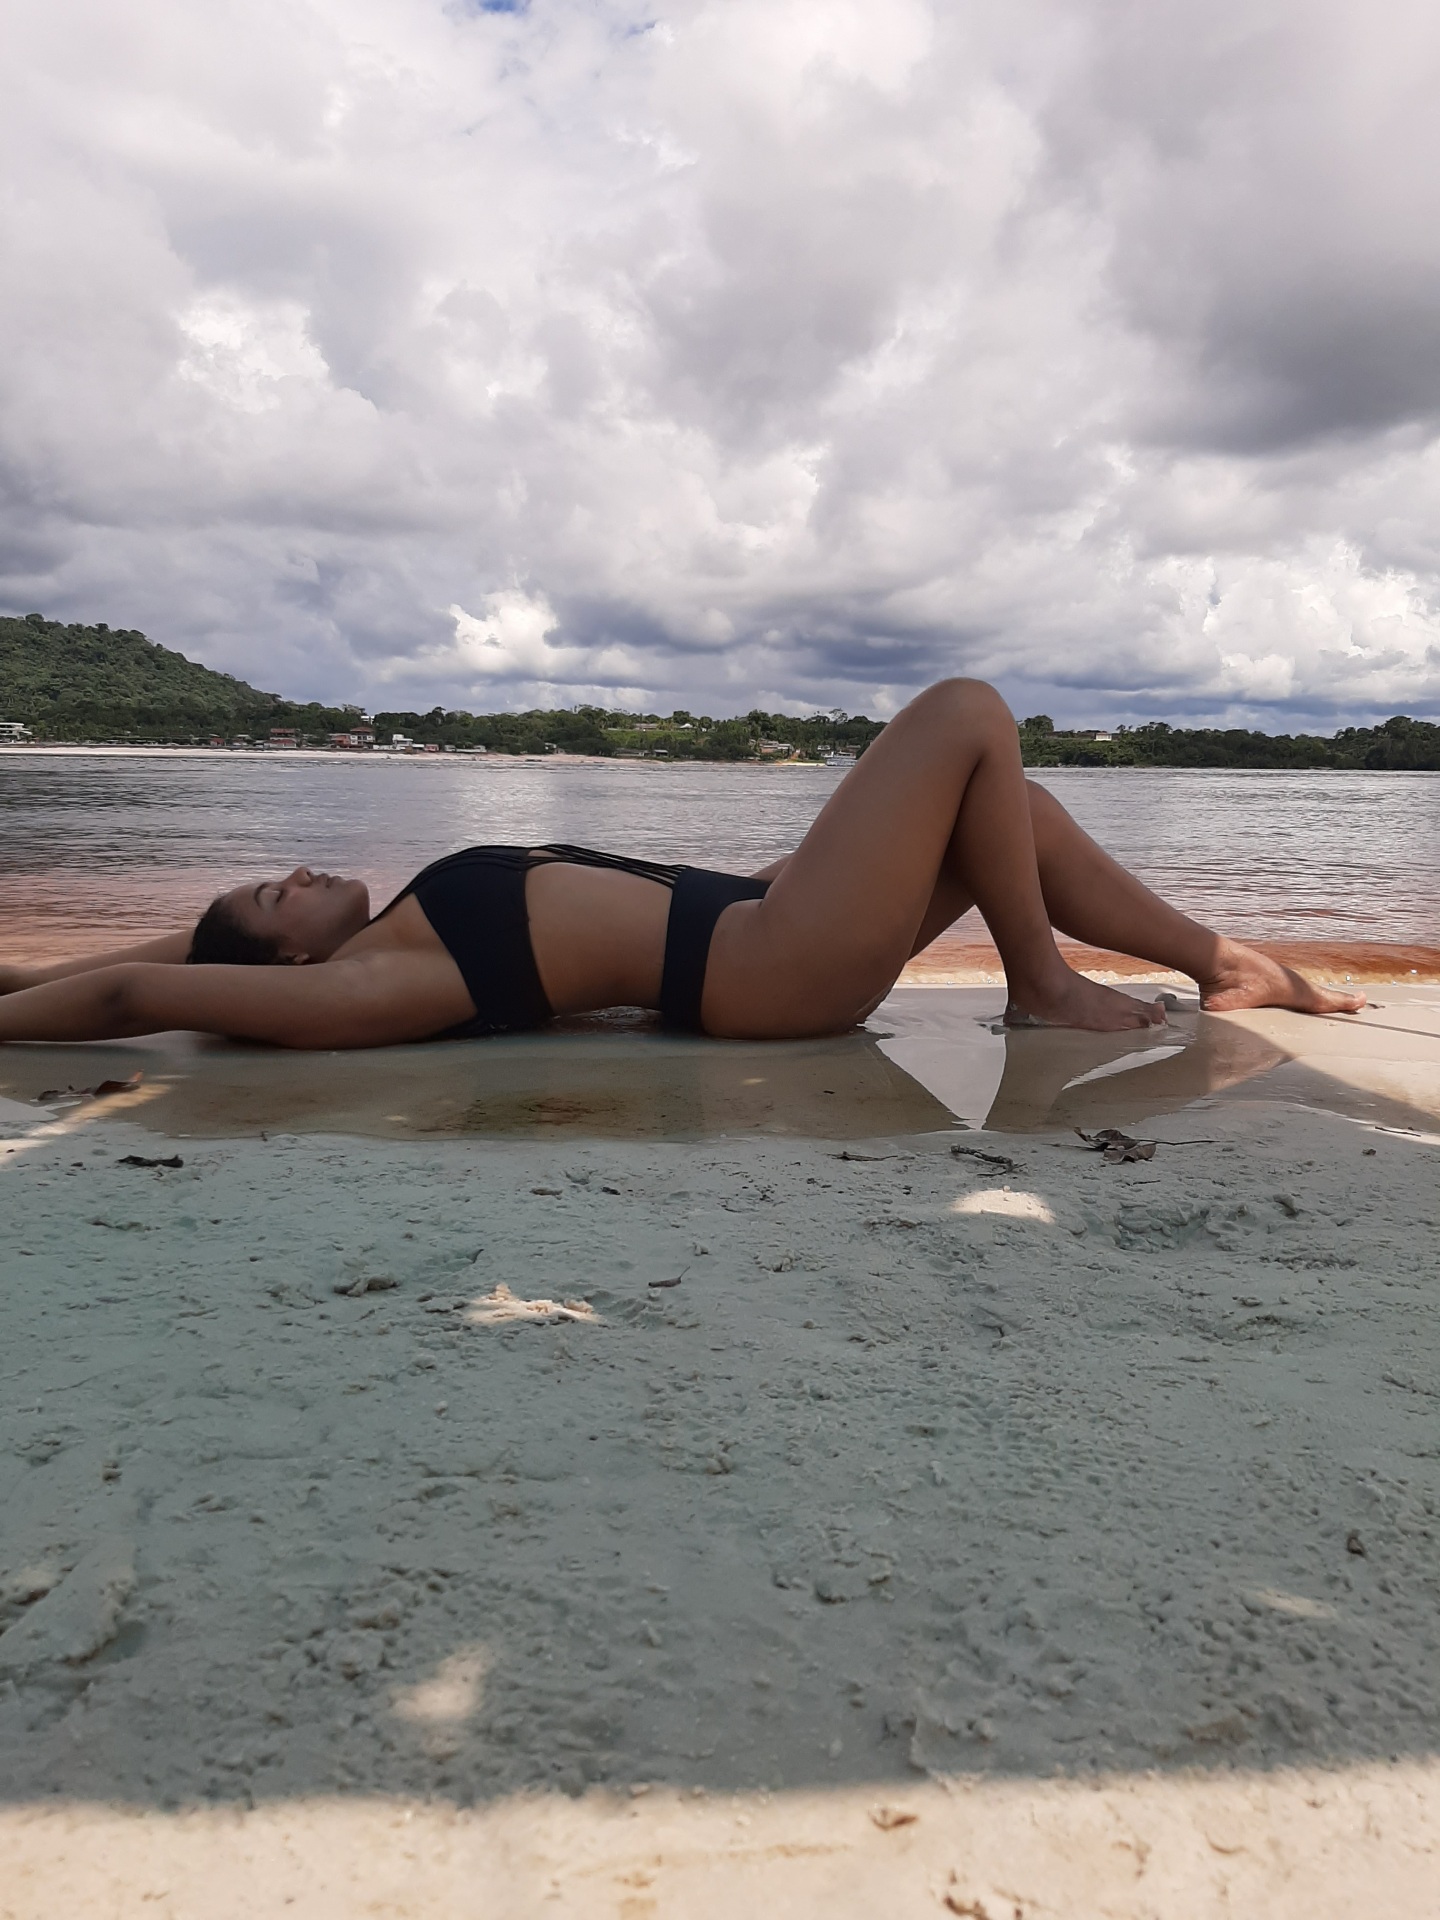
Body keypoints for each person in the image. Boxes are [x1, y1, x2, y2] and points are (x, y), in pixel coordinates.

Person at [0, 679, 1362, 1051]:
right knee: (967, 716)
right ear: (289, 961)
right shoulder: (364, 983)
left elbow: (151, 956)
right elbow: (147, 996)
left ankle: (1225, 965)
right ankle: (1042, 985)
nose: (294, 874)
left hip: (757, 917)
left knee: (1011, 805)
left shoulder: (377, 930)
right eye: (276, 896)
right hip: (767, 970)